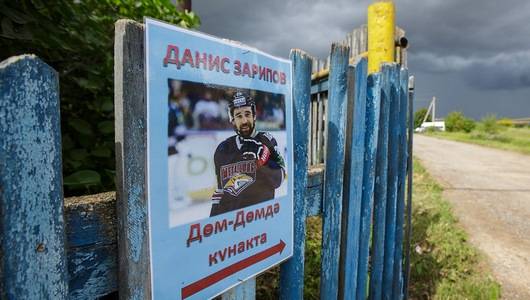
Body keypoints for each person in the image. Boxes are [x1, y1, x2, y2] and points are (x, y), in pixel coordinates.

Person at [210, 91, 286, 216]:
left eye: (247, 114)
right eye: (239, 116)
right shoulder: (222, 149)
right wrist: (212, 224)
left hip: (260, 220)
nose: (244, 120)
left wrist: (261, 163)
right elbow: (220, 193)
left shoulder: (267, 141)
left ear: (254, 116)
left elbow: (279, 180)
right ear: (232, 120)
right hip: (232, 223)